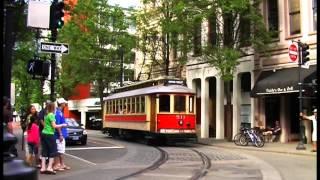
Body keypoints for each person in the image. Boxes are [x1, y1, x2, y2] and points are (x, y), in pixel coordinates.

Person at [40, 102, 67, 174]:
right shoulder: (51, 115)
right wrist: (62, 125)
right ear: (53, 108)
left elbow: (46, 125)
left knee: (44, 151)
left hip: (43, 133)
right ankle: (49, 168)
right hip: (50, 134)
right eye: (54, 107)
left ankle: (43, 168)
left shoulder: (46, 115)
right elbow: (54, 126)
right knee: (53, 150)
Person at [53, 98, 71, 171]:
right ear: (61, 104)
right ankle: (57, 165)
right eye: (64, 103)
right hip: (59, 136)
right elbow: (58, 125)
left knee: (61, 151)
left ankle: (61, 164)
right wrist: (60, 134)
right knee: (59, 151)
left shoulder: (60, 112)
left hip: (61, 135)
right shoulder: (58, 113)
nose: (65, 104)